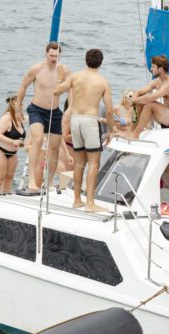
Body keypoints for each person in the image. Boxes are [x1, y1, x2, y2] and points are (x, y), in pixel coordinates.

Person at [54, 48, 114, 212]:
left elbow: (56, 91)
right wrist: (111, 130)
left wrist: (60, 77)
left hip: (75, 121)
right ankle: (90, 203)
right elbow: (109, 110)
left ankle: (76, 200)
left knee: (80, 163)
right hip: (90, 121)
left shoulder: (75, 77)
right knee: (94, 164)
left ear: (85, 60)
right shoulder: (102, 82)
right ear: (100, 62)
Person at [17, 42, 70, 193]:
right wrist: (19, 107)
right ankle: (33, 181)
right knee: (38, 139)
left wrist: (71, 108)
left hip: (54, 112)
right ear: (46, 54)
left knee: (54, 148)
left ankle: (50, 182)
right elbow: (23, 86)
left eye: (57, 55)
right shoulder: (36, 69)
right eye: (51, 55)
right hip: (36, 110)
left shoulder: (64, 71)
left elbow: (72, 88)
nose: (54, 58)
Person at [127, 55, 169, 138]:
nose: (151, 69)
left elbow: (150, 98)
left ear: (160, 69)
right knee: (138, 104)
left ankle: (135, 134)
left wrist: (133, 100)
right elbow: (139, 92)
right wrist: (134, 100)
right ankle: (131, 131)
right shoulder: (157, 81)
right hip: (166, 116)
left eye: (153, 67)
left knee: (149, 104)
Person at [0, 95, 26, 195]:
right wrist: (12, 141)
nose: (22, 105)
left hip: (12, 152)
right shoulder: (7, 117)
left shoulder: (21, 117)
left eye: (22, 103)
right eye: (20, 103)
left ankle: (6, 198)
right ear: (13, 105)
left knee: (9, 178)